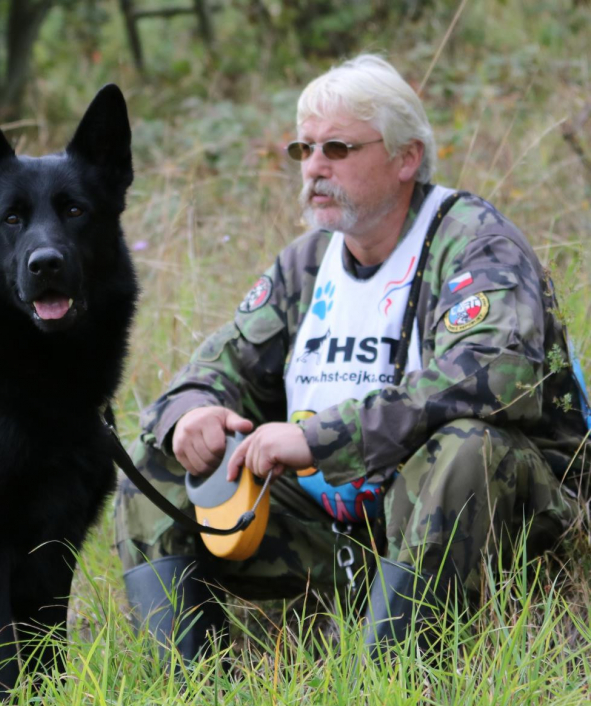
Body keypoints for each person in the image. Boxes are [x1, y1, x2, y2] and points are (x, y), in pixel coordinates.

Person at [114, 54, 590, 660]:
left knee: (467, 445)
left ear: (405, 157)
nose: (313, 167)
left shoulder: (473, 241)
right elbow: (213, 370)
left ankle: (396, 677)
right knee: (153, 458)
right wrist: (193, 416)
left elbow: (496, 376)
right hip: (340, 535)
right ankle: (191, 688)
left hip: (499, 527)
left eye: (337, 148)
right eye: (303, 149)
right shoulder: (307, 263)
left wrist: (320, 439)